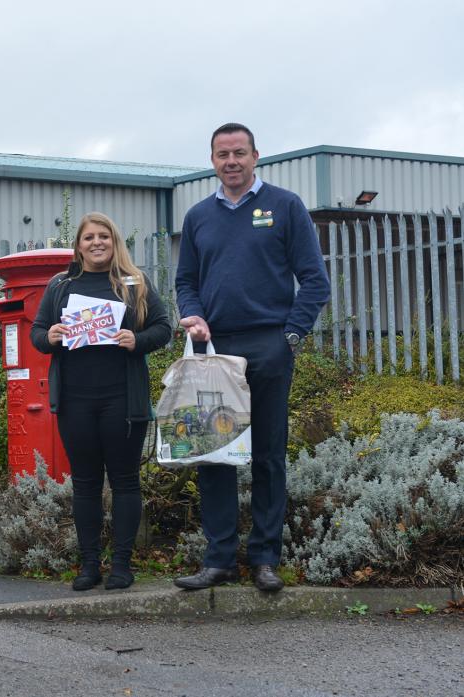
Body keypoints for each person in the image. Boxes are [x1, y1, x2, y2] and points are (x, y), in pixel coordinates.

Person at [174, 123, 330, 592]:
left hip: (269, 345)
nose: (231, 162)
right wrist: (195, 317)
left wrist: (291, 334)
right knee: (213, 454)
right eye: (222, 154)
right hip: (214, 349)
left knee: (267, 455)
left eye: (239, 153)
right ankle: (218, 560)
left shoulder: (285, 206)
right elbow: (187, 282)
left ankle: (265, 559)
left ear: (256, 156)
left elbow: (315, 280)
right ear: (213, 160)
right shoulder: (199, 216)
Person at [30, 213, 172, 591]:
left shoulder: (134, 282)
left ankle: (122, 565)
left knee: (125, 482)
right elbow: (37, 333)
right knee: (86, 484)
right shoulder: (61, 285)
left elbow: (163, 327)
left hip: (122, 400)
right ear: (78, 245)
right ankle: (89, 564)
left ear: (114, 241)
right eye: (89, 237)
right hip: (76, 399)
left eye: (104, 236)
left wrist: (136, 340)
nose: (97, 243)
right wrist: (53, 336)